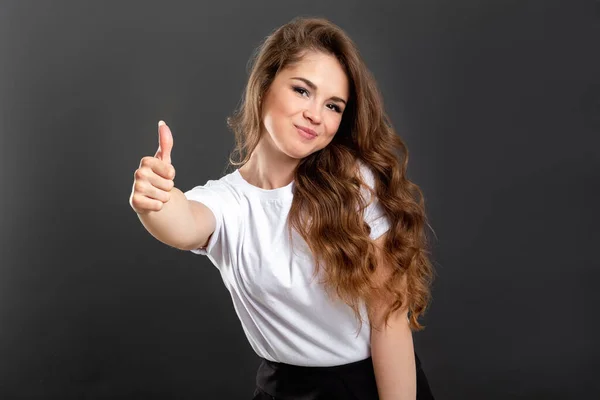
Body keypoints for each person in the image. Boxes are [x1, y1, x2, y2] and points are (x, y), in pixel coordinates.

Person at [130, 16, 435, 400]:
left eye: (334, 106)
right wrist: (154, 200)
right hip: (283, 389)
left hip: (372, 386)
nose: (316, 115)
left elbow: (388, 319)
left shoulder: (356, 184)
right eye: (302, 91)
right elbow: (183, 221)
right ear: (263, 87)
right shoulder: (228, 202)